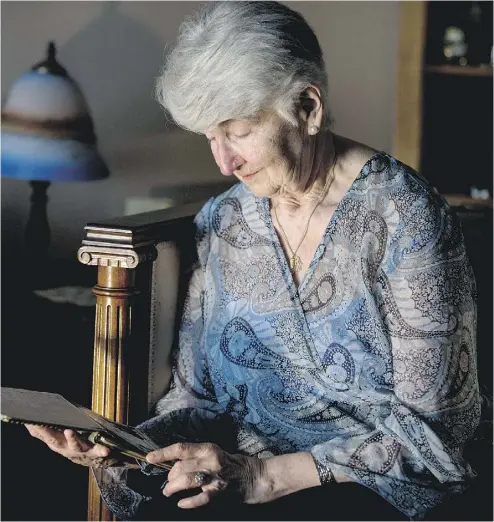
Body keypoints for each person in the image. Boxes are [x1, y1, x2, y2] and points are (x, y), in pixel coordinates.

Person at [26, 2, 481, 520]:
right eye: (210, 138)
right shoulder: (225, 220)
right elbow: (194, 399)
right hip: (233, 475)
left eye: (237, 131)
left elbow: (437, 434)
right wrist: (126, 447)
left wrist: (265, 475)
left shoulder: (406, 217)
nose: (223, 161)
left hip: (364, 488)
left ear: (308, 109)